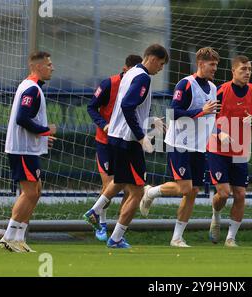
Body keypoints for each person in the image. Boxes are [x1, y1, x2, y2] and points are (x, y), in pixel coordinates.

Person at [83, 44, 169, 248]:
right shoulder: (143, 77)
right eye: (162, 64)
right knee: (137, 192)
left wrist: (149, 120)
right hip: (127, 141)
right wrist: (141, 136)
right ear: (153, 59)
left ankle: (95, 210)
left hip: (115, 137)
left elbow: (130, 108)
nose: (161, 69)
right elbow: (128, 106)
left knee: (121, 181)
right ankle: (116, 238)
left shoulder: (130, 73)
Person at [139, 47, 220, 247]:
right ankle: (150, 192)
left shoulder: (213, 88)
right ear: (201, 64)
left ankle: (177, 237)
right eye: (212, 65)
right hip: (180, 144)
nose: (214, 69)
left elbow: (210, 118)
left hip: (199, 147)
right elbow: (174, 113)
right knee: (185, 187)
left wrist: (216, 134)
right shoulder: (185, 84)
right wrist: (200, 111)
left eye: (216, 65)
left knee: (192, 191)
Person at [207, 55, 252, 247]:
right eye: (243, 69)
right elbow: (206, 119)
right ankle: (216, 216)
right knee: (224, 194)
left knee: (240, 194)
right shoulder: (221, 91)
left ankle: (231, 238)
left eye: (249, 69)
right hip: (218, 148)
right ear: (233, 71)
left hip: (240, 150)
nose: (247, 72)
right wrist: (220, 133)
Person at [1, 51, 56, 252]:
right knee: (30, 192)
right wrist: (45, 130)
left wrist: (43, 136)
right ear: (38, 67)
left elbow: (27, 119)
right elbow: (22, 119)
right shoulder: (31, 89)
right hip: (21, 149)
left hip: (27, 149)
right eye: (49, 64)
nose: (52, 68)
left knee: (36, 191)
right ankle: (9, 237)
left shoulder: (33, 87)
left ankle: (18, 237)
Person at [87, 54, 143, 241]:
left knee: (129, 188)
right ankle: (101, 224)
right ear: (125, 69)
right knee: (109, 184)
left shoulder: (140, 84)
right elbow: (91, 107)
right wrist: (103, 124)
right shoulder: (109, 84)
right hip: (105, 142)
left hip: (125, 140)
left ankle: (119, 231)